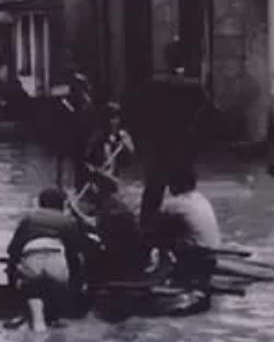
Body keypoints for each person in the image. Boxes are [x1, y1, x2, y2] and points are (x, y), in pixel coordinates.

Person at [134, 38, 215, 230]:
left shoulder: (153, 85)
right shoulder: (195, 88)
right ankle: (189, 229)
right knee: (184, 192)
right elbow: (209, 115)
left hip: (157, 146)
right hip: (183, 146)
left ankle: (147, 231)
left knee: (153, 191)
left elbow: (139, 115)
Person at [6, 188, 89, 331]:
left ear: (39, 203)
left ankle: (21, 311)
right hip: (57, 260)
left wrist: (12, 274)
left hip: (32, 259)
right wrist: (78, 285)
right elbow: (75, 254)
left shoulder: (28, 219)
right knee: (66, 275)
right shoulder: (69, 222)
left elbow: (13, 250)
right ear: (63, 205)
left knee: (27, 280)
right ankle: (58, 314)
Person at [67, 170, 147, 282]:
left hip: (120, 258)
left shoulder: (112, 209)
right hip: (123, 253)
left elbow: (95, 225)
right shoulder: (112, 204)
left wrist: (74, 210)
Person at [152, 165, 222, 286]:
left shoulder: (175, 203)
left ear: (179, 184)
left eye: (171, 183)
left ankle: (161, 269)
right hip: (212, 253)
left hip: (194, 256)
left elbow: (155, 226)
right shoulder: (202, 199)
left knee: (159, 234)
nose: (169, 188)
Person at [84, 102, 135, 179]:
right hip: (99, 174)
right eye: (111, 118)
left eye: (116, 118)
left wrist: (125, 143)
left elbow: (131, 153)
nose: (114, 121)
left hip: (116, 177)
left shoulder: (122, 135)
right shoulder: (98, 135)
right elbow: (87, 155)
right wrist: (92, 166)